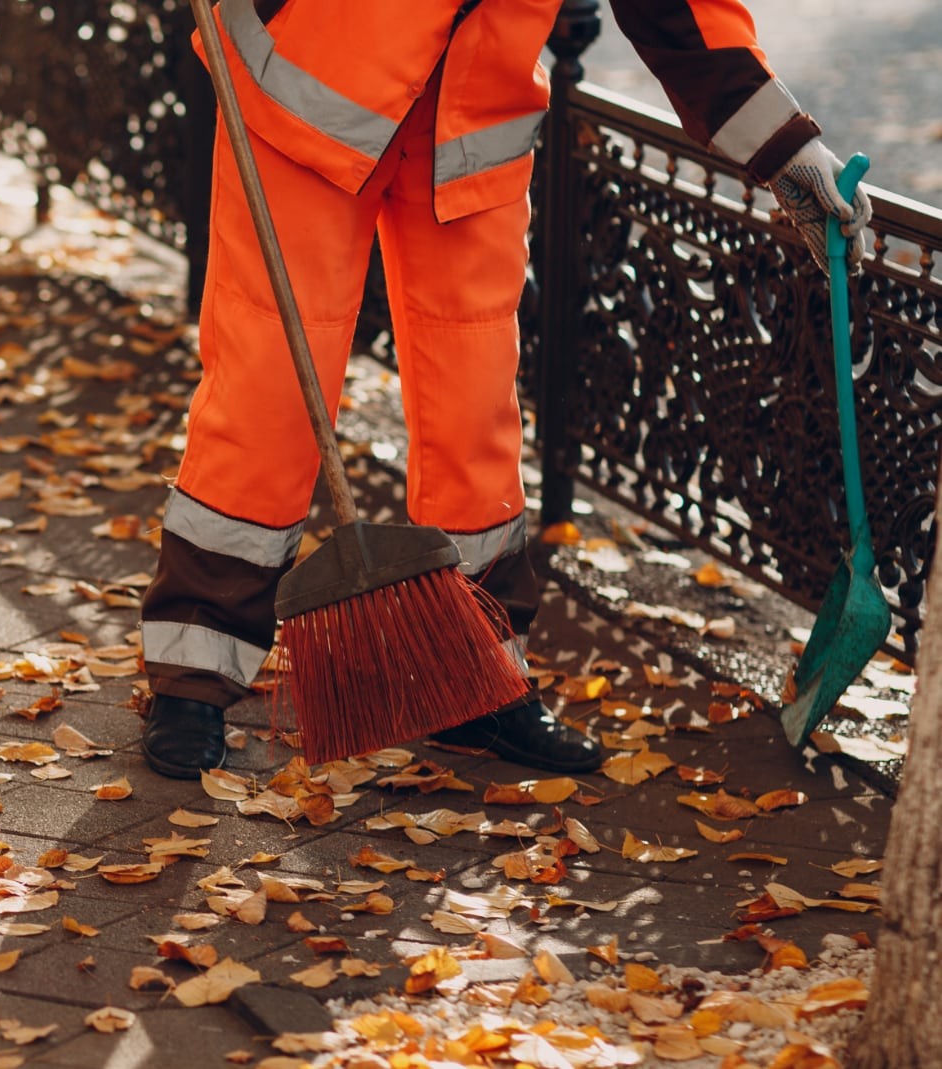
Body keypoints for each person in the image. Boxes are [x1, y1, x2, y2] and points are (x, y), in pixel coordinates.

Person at [139, 0, 872, 779]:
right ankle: (195, 672)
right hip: (310, 89)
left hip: (469, 126)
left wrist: (787, 152)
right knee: (270, 389)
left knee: (474, 412)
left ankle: (475, 681)